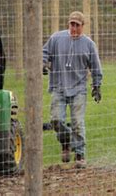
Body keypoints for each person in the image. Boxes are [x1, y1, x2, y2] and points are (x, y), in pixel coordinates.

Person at [43, 11, 103, 168]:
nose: (74, 27)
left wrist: (96, 85)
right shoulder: (56, 38)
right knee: (56, 120)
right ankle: (66, 143)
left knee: (77, 122)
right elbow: (44, 52)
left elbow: (96, 67)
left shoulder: (89, 44)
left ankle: (79, 154)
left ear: (82, 26)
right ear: (68, 24)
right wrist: (42, 63)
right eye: (72, 24)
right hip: (58, 86)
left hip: (78, 89)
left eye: (77, 25)